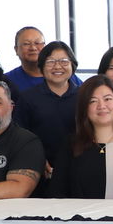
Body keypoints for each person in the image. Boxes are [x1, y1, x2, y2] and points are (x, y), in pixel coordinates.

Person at [18, 41, 82, 177]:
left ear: (72, 65)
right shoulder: (27, 98)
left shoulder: (84, 97)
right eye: (50, 62)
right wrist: (37, 160)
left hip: (79, 167)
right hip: (39, 169)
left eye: (64, 61)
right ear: (41, 66)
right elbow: (20, 135)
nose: (57, 66)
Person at [6, 26, 79, 93]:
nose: (33, 48)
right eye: (26, 44)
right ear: (16, 49)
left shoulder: (64, 76)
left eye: (37, 43)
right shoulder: (7, 80)